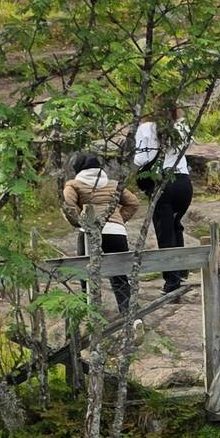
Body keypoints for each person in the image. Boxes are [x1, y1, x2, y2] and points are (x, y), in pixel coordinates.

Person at [61, 152, 144, 311]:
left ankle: (90, 313)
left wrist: (79, 223)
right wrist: (118, 219)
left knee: (86, 273)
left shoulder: (73, 185)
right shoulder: (114, 184)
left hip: (89, 233)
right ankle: (130, 315)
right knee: (119, 275)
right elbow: (133, 203)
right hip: (116, 233)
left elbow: (68, 205)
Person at [132, 110, 196, 294]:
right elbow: (188, 145)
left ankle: (172, 281)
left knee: (165, 231)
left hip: (162, 182)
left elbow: (142, 158)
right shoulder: (181, 124)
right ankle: (181, 270)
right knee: (176, 225)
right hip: (183, 183)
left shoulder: (146, 127)